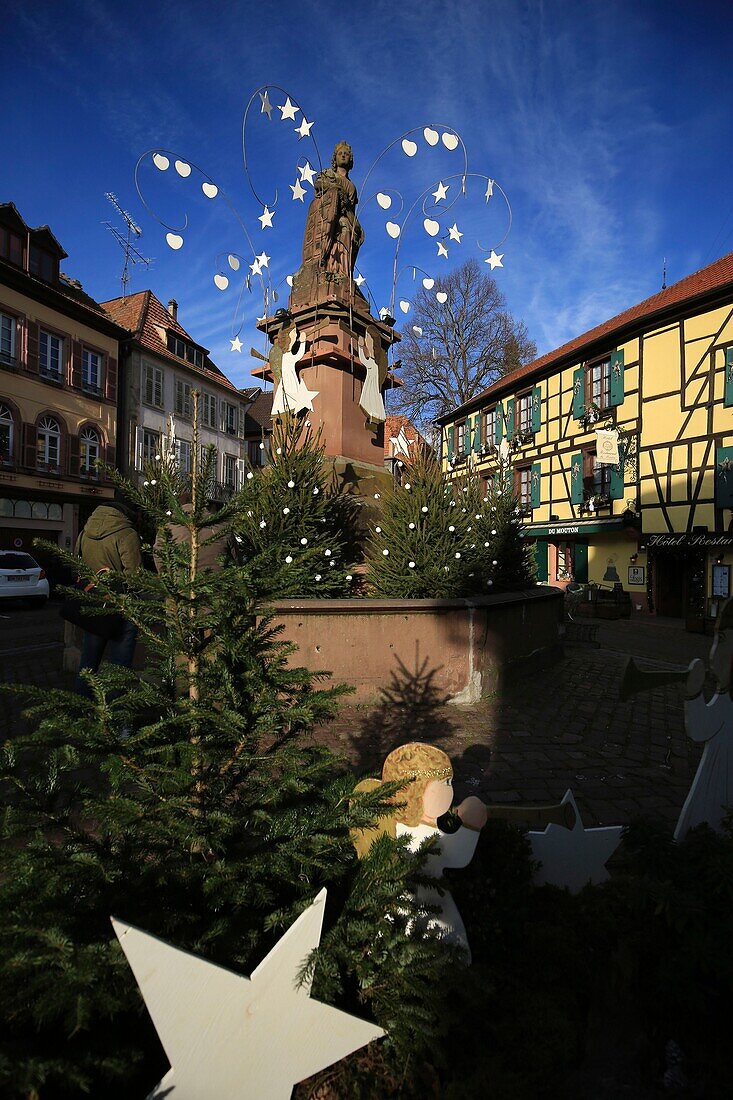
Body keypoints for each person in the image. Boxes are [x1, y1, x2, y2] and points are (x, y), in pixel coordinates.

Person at [675, 598, 733, 840]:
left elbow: (699, 729)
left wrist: (693, 693)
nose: (713, 651)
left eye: (721, 640)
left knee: (708, 818)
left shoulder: (726, 702)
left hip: (719, 778)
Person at [74, 497, 142, 696]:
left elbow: (76, 565)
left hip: (93, 602)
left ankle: (82, 710)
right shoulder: (127, 534)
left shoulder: (85, 532)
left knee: (88, 663)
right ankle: (117, 719)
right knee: (119, 668)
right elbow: (135, 577)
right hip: (121, 607)